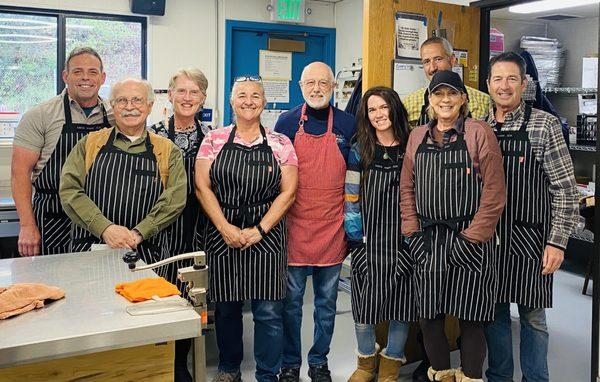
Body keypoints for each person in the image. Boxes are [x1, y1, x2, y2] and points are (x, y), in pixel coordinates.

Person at [400, 70, 505, 382]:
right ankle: (443, 375)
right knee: (429, 316)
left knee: (472, 317)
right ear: (430, 100)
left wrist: (472, 238)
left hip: (469, 239)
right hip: (428, 240)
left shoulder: (479, 132)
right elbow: (406, 188)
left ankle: (470, 376)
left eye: (452, 94)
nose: (445, 100)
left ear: (463, 98)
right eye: (438, 94)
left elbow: (495, 193)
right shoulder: (417, 136)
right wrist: (412, 233)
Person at [483, 52, 580, 382]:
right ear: (488, 85)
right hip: (490, 241)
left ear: (524, 85)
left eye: (512, 79)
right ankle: (499, 376)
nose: (504, 86)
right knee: (493, 314)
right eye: (498, 79)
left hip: (532, 240)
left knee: (532, 318)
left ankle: (536, 378)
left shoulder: (544, 124)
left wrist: (557, 242)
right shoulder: (479, 126)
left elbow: (565, 190)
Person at [195, 77, 298, 382]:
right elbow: (202, 187)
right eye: (242, 95)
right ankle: (229, 369)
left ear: (264, 102)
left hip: (267, 234)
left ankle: (268, 373)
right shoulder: (214, 139)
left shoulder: (280, 142)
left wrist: (260, 229)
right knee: (226, 309)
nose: (249, 101)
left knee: (268, 312)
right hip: (221, 230)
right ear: (232, 101)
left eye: (255, 96)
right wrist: (224, 227)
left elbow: (288, 192)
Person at [274, 61, 357, 382]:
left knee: (326, 305)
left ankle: (319, 362)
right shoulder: (286, 122)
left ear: (334, 86)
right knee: (291, 306)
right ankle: (291, 364)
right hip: (294, 229)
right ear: (301, 86)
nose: (317, 88)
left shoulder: (349, 123)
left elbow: (356, 176)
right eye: (311, 82)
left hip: (333, 229)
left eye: (323, 82)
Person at [59, 78, 186, 270]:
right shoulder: (90, 144)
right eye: (122, 101)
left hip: (147, 252)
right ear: (112, 105)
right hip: (92, 248)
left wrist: (138, 233)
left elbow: (174, 200)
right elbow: (70, 191)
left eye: (137, 100)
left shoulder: (167, 150)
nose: (130, 107)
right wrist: (105, 229)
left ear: (149, 106)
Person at [12, 47, 114, 256]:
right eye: (77, 71)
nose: (85, 77)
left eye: (92, 72)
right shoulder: (40, 115)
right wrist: (26, 226)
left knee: (98, 281)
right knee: (54, 285)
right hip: (53, 217)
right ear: (65, 76)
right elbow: (19, 173)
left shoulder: (114, 116)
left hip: (101, 217)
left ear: (102, 78)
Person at [344, 86, 416, 382]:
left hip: (404, 242)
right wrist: (354, 235)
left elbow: (421, 193)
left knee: (401, 307)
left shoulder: (412, 145)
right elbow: (350, 195)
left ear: (394, 108)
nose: (378, 115)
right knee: (363, 309)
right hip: (367, 241)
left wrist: (413, 238)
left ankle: (391, 368)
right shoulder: (359, 146)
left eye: (383, 107)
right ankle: (365, 365)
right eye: (372, 110)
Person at [148, 68, 210, 382]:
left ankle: (180, 363)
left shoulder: (213, 136)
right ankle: (157, 362)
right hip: (160, 231)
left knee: (190, 297)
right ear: (170, 95)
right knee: (160, 296)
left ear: (203, 98)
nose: (187, 98)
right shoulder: (153, 133)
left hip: (198, 229)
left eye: (194, 92)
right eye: (181, 92)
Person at [402, 37, 490, 129]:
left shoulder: (483, 101)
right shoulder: (409, 104)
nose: (433, 68)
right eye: (426, 62)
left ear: (452, 60)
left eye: (438, 59)